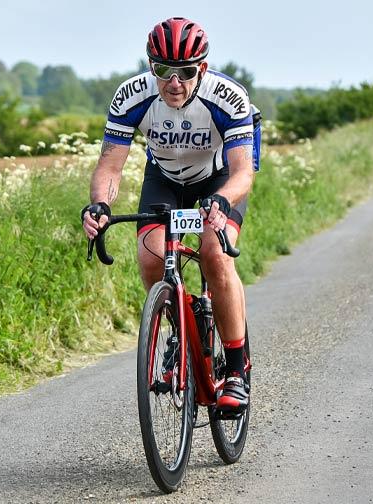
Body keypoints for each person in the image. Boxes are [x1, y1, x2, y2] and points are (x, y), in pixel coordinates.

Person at [81, 17, 260, 412]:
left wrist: (223, 201)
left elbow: (244, 171)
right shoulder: (131, 96)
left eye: (185, 72)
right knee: (151, 258)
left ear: (203, 69)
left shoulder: (227, 97)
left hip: (219, 178)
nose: (174, 82)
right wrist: (100, 206)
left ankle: (234, 370)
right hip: (163, 177)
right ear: (150, 66)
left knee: (215, 254)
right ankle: (183, 329)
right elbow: (110, 167)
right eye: (163, 70)